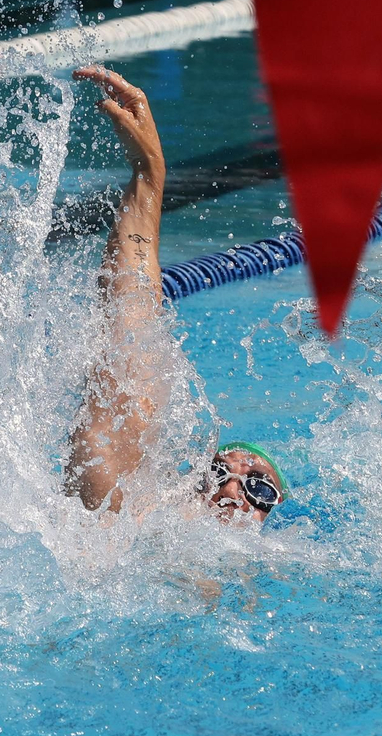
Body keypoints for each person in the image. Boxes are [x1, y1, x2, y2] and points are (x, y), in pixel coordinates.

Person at [64, 66, 288, 524]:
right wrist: (149, 179)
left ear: (275, 514)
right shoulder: (132, 525)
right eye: (216, 471)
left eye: (258, 486)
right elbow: (131, 335)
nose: (230, 488)